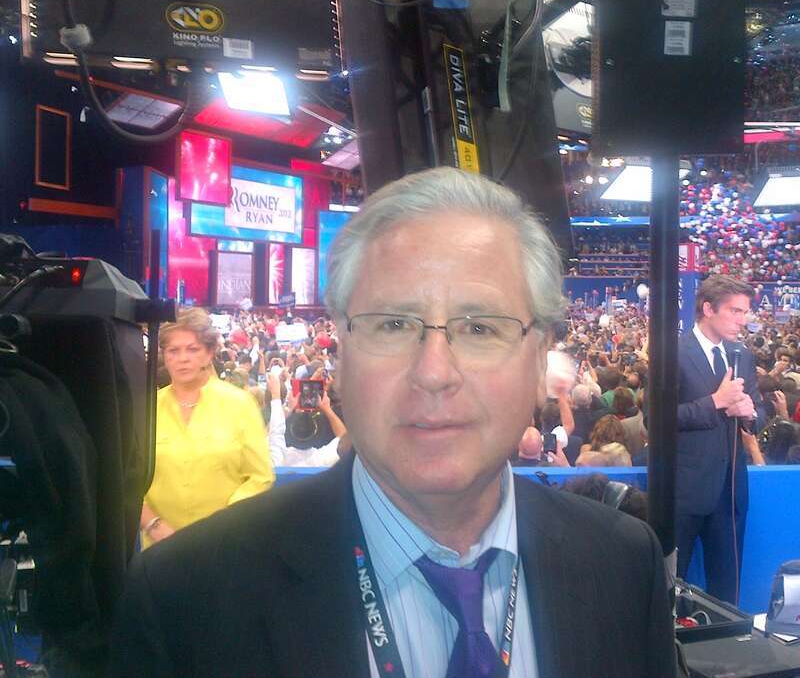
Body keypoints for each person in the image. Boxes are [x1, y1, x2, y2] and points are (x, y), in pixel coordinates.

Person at [110, 167, 675, 677]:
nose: (434, 373)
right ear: (341, 354)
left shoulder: (625, 566)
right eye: (392, 325)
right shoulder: (184, 598)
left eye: (480, 329)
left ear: (537, 360)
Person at [138, 308, 275, 549]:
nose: (183, 358)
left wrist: (221, 526)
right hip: (159, 550)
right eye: (174, 350)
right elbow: (128, 481)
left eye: (193, 349)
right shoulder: (146, 409)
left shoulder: (240, 404)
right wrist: (155, 526)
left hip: (225, 545)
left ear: (209, 353)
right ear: (164, 355)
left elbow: (260, 477)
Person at [676, 275, 767, 605]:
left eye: (745, 312)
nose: (743, 320)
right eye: (735, 311)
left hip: (729, 494)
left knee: (727, 594)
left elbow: (759, 413)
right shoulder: (674, 352)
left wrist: (749, 413)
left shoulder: (742, 354)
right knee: (670, 584)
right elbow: (655, 421)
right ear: (708, 309)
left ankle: (726, 653)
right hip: (683, 494)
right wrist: (716, 402)